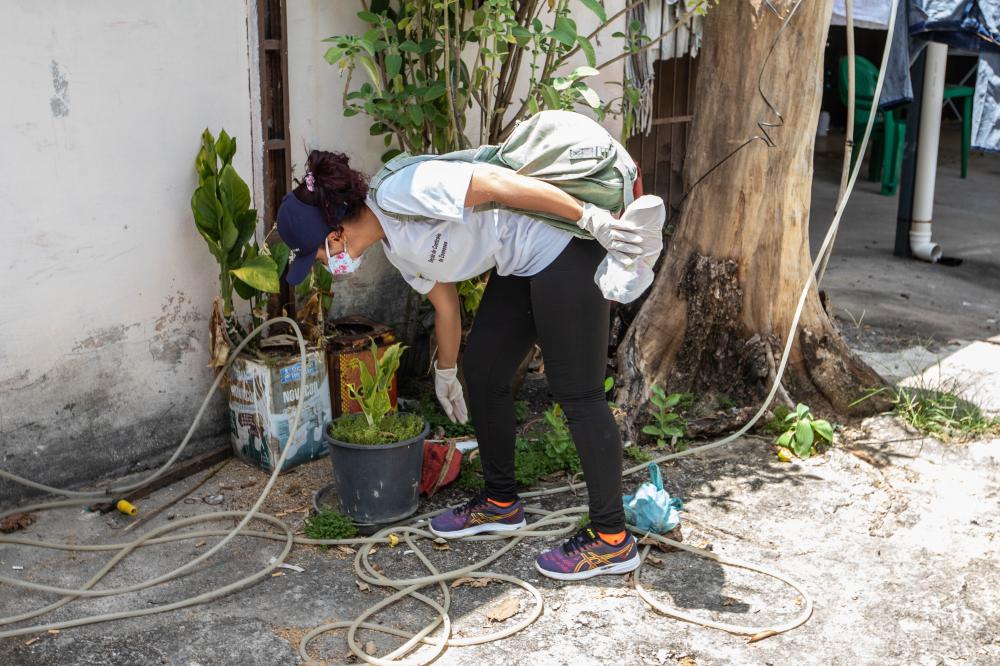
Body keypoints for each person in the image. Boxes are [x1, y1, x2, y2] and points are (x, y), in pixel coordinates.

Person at [277, 149, 657, 581]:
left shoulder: (403, 192)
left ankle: (612, 539)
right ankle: (500, 503)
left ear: (334, 236)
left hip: (565, 241)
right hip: (519, 260)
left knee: (579, 391)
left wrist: (587, 216)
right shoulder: (398, 250)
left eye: (319, 258)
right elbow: (446, 305)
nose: (328, 267)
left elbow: (494, 184)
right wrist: (446, 370)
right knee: (484, 370)